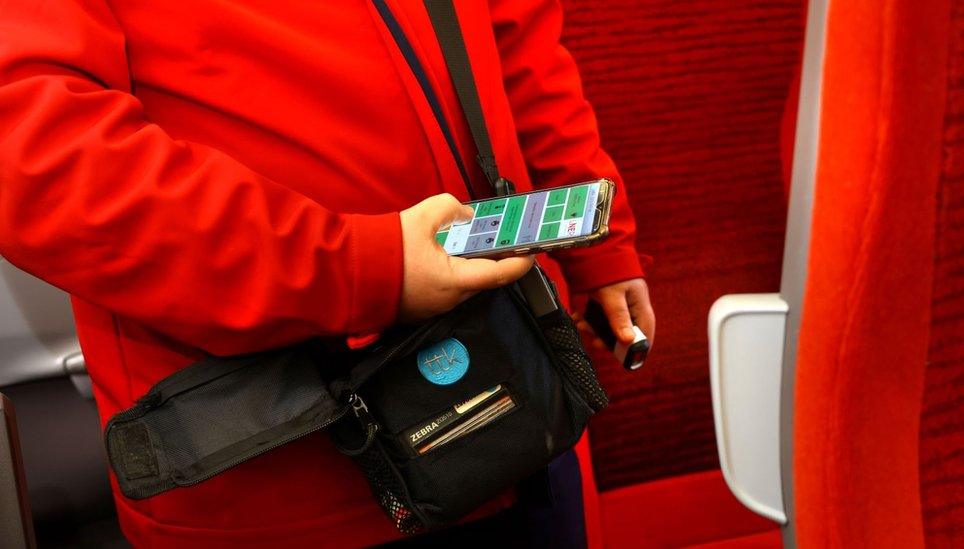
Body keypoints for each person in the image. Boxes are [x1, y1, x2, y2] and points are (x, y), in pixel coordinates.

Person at [0, 1, 655, 547]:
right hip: (285, 465)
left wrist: (597, 237)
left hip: (517, 388)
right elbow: (41, 159)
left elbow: (514, 38)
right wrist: (359, 267)